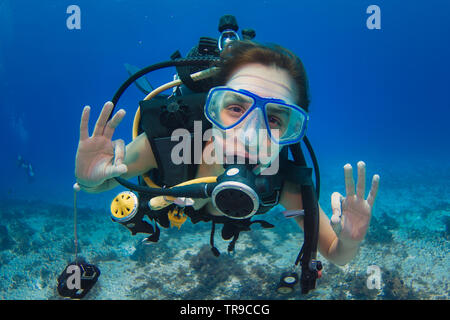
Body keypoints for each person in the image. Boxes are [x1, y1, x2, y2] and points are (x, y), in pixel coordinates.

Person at [74, 40, 379, 267]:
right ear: (212, 109)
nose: (249, 135)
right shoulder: (170, 144)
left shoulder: (283, 182)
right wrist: (87, 176)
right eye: (235, 108)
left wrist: (350, 241)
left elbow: (336, 254)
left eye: (273, 119)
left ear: (290, 132)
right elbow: (99, 184)